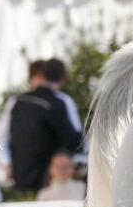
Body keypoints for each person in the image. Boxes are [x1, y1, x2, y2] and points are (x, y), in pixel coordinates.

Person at [8, 59, 85, 193]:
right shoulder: (59, 103)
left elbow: (5, 139)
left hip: (20, 175)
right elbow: (73, 140)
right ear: (61, 79)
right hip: (47, 180)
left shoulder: (17, 102)